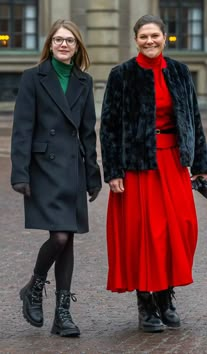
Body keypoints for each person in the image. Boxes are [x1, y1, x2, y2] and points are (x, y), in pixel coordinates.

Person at [100, 14, 207, 333]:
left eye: (155, 36)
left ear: (165, 36)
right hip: (137, 165)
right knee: (144, 233)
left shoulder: (179, 71)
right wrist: (113, 170)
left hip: (174, 162)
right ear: (135, 40)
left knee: (179, 228)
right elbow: (108, 126)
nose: (150, 41)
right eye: (143, 37)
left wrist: (201, 164)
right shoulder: (121, 75)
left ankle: (166, 296)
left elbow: (194, 117)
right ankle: (146, 303)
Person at [11, 19, 101, 337]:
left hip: (73, 168)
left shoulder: (84, 81)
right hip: (44, 168)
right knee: (60, 237)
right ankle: (35, 286)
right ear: (50, 44)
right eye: (58, 40)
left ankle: (62, 314)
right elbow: (21, 130)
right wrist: (19, 173)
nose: (64, 45)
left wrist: (93, 174)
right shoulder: (32, 79)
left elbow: (88, 132)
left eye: (70, 41)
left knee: (68, 238)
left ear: (78, 47)